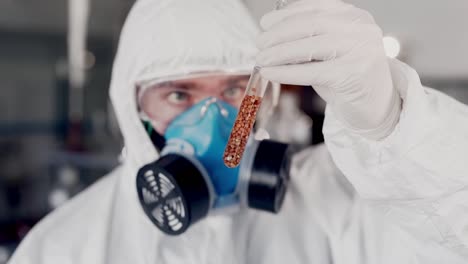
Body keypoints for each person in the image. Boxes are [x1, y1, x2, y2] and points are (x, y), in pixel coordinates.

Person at [9, 0, 468, 263]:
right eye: (178, 96)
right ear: (133, 109)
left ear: (261, 100)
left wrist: (392, 125)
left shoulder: (332, 200)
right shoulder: (65, 247)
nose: (215, 118)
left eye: (233, 90)